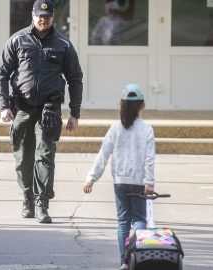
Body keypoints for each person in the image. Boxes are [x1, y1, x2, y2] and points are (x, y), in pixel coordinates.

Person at [0, 0, 83, 224]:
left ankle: (42, 202)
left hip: (49, 108)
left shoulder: (63, 44)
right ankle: (27, 198)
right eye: (39, 15)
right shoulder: (17, 39)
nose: (43, 19)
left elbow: (75, 78)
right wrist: (4, 105)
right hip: (22, 107)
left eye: (47, 15)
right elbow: (2, 73)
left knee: (45, 156)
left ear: (53, 17)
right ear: (32, 15)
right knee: (23, 157)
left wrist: (75, 112)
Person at [83, 83, 155, 270]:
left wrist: (92, 177)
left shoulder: (115, 128)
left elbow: (103, 154)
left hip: (120, 182)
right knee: (139, 220)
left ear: (120, 104)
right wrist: (149, 182)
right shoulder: (146, 129)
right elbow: (149, 159)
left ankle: (124, 261)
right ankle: (137, 259)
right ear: (142, 105)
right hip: (139, 183)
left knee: (123, 221)